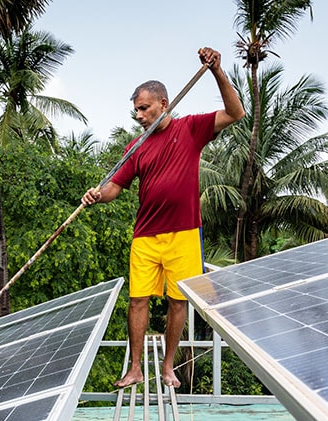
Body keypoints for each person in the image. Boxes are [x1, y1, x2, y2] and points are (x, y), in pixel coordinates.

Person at [82, 46, 244, 388]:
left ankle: (168, 367)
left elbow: (236, 113)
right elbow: (116, 185)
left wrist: (216, 71)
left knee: (177, 302)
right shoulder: (136, 146)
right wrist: (98, 195)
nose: (139, 115)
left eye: (144, 108)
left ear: (163, 104)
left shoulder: (191, 129)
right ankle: (136, 369)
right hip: (146, 235)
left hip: (184, 233)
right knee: (137, 300)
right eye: (136, 110)